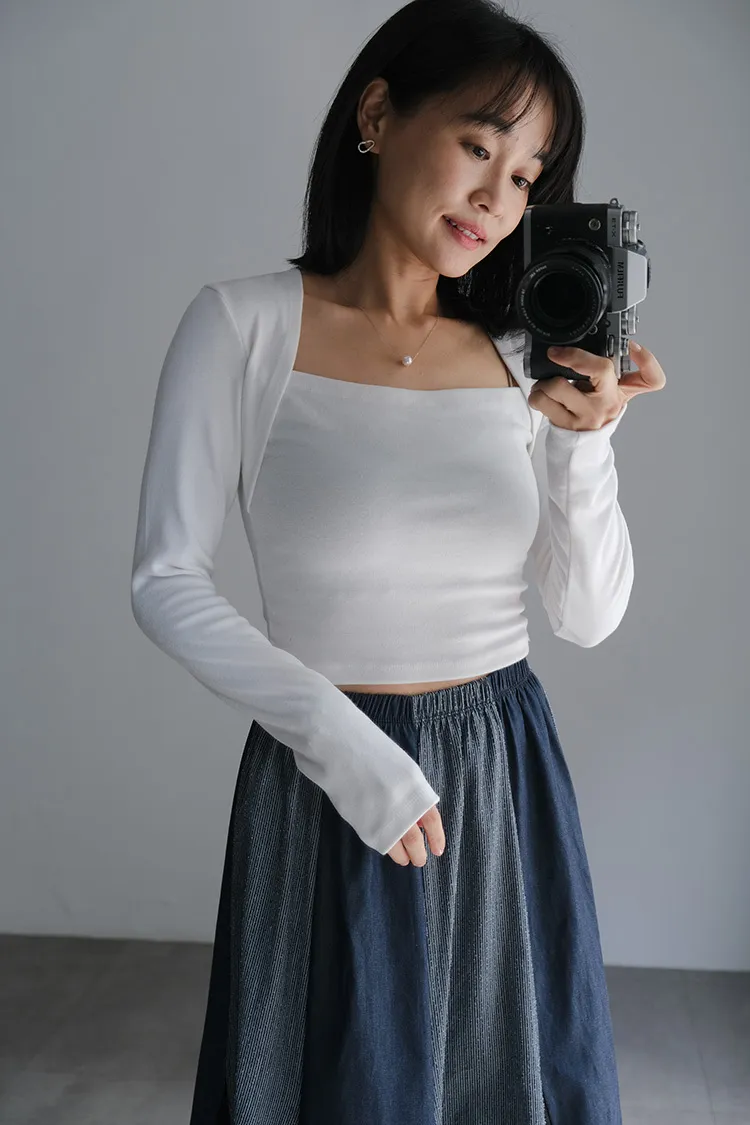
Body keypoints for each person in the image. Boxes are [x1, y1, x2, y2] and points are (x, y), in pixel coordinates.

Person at [130, 1, 666, 1123]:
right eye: (478, 145)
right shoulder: (243, 327)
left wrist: (588, 442)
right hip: (323, 775)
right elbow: (165, 581)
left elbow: (587, 615)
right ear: (378, 114)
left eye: (527, 177)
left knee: (505, 1086)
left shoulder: (525, 358)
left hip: (503, 772)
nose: (497, 198)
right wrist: (341, 743)